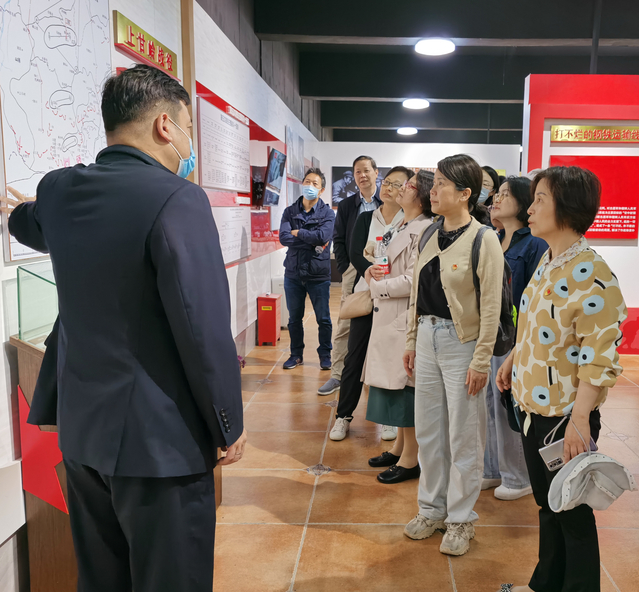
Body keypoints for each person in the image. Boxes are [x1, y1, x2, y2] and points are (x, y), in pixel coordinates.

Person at [3, 64, 247, 592]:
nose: (188, 143)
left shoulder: (60, 191)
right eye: (188, 127)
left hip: (83, 436)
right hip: (161, 446)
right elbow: (202, 329)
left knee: (102, 580)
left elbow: (31, 222)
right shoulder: (178, 199)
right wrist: (228, 423)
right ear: (164, 125)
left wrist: (16, 213)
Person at [496, 166, 627, 592]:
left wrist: (580, 420)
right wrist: (513, 357)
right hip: (533, 408)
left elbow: (599, 357)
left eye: (540, 200)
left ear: (567, 208)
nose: (530, 209)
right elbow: (537, 323)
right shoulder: (549, 260)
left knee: (571, 511)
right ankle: (545, 584)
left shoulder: (593, 273)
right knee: (548, 504)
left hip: (564, 417)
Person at [402, 154, 503, 557]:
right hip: (427, 336)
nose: (433, 190)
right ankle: (432, 509)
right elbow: (416, 292)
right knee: (428, 432)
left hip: (462, 344)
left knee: (464, 435)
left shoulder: (484, 239)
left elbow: (491, 306)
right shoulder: (430, 232)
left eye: (442, 183)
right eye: (435, 182)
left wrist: (481, 360)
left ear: (465, 193)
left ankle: (461, 519)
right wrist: (411, 340)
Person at [329, 166, 407, 441]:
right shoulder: (366, 218)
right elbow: (354, 251)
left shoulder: (408, 222)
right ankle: (343, 416)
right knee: (355, 357)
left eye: (397, 184)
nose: (389, 188)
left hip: (396, 298)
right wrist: (368, 271)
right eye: (388, 182)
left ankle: (387, 419)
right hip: (368, 295)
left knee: (389, 358)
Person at [366, 170, 434, 483]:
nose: (403, 188)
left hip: (402, 316)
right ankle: (399, 448)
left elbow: (412, 280)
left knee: (406, 389)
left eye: (410, 185)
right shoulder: (401, 224)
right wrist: (371, 273)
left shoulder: (424, 229)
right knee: (395, 388)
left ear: (422, 197)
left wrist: (378, 286)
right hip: (388, 312)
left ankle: (410, 459)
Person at [482, 176, 547, 500]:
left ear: (523, 203)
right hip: (489, 334)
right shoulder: (492, 239)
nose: (497, 199)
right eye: (498, 194)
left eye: (505, 194)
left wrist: (521, 344)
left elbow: (535, 299)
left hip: (515, 339)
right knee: (489, 406)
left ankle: (517, 475)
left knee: (510, 406)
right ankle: (493, 468)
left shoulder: (534, 244)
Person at [318, 156, 381, 396]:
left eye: (366, 170)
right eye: (357, 172)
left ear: (376, 173)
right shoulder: (346, 206)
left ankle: (373, 376)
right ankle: (337, 375)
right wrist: (346, 268)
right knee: (346, 321)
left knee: (382, 321)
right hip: (354, 268)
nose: (362, 175)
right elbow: (339, 238)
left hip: (382, 266)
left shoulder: (388, 202)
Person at [279, 168, 335, 370]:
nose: (310, 186)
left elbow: (323, 236)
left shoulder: (327, 213)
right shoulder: (290, 211)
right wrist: (312, 242)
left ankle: (325, 355)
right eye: (307, 182)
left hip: (318, 274)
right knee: (294, 319)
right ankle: (296, 355)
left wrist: (299, 233)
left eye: (315, 184)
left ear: (321, 190)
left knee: (323, 318)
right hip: (293, 274)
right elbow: (284, 238)